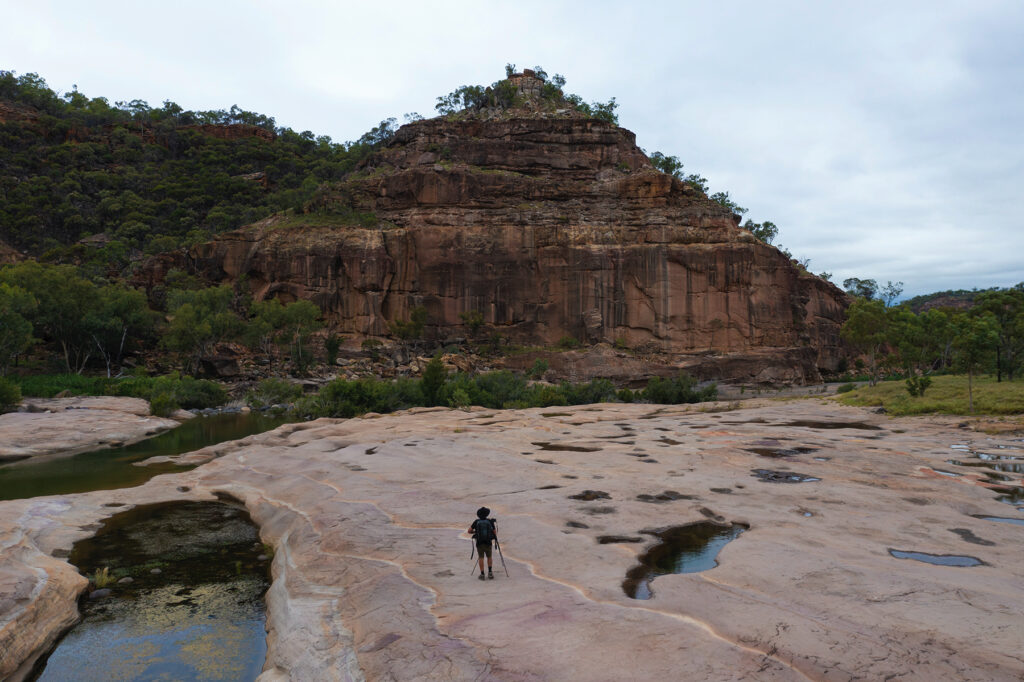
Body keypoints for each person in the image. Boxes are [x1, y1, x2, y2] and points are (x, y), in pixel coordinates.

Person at [469, 506, 497, 580]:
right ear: (487, 514)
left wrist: (475, 532)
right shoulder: (490, 521)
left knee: (481, 557)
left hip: (479, 543)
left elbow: (469, 531)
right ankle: (490, 573)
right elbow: (494, 533)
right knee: (489, 557)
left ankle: (482, 574)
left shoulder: (476, 522)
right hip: (488, 542)